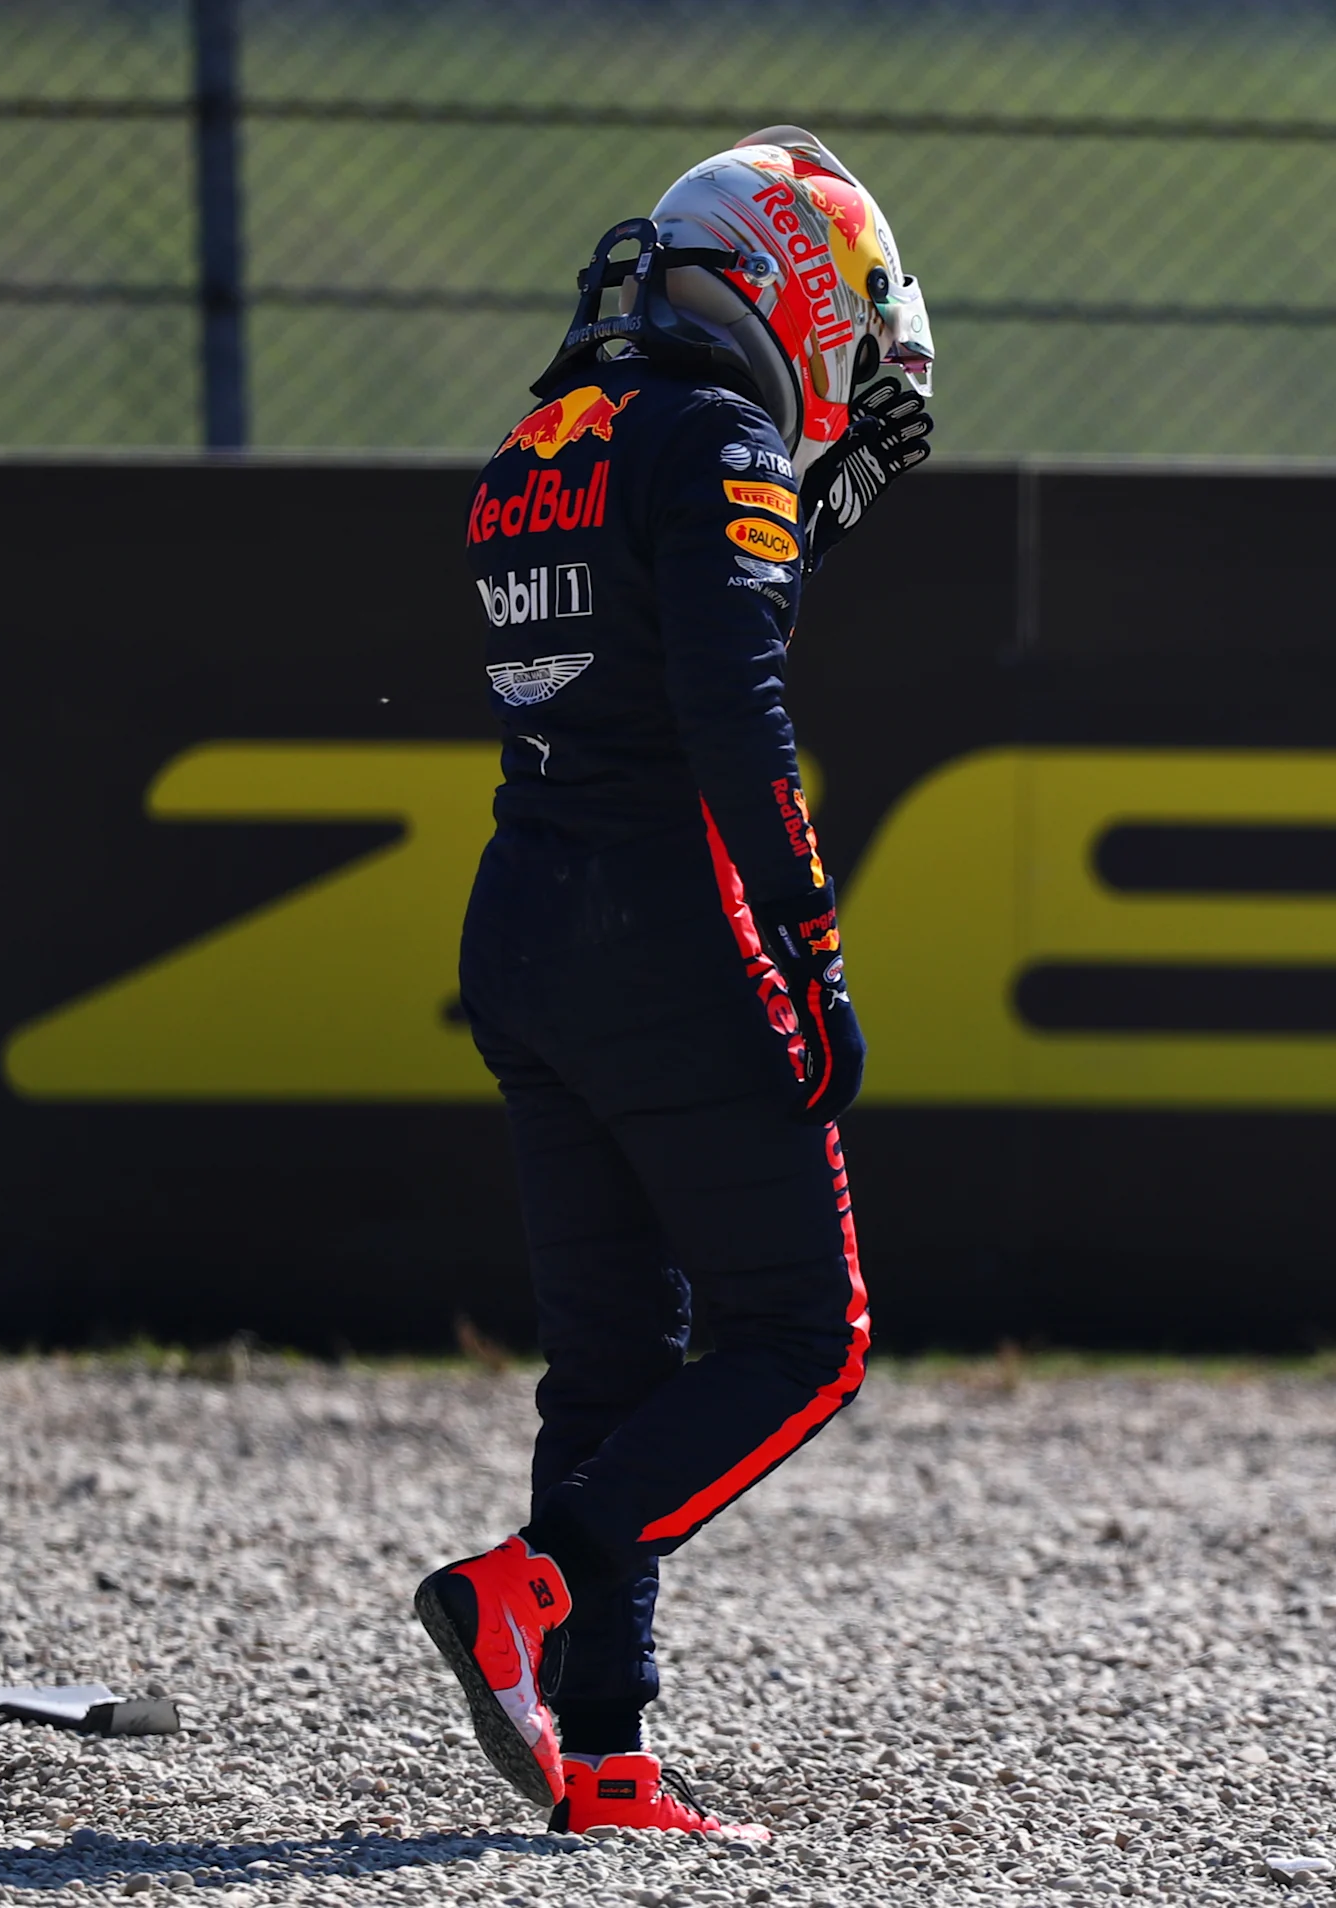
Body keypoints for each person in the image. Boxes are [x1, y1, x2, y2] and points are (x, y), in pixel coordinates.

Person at [413, 128, 935, 1839]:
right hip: (671, 933)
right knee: (809, 1336)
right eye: (842, 340)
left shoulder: (533, 439)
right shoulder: (716, 431)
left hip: (527, 927)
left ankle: (610, 1763)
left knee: (611, 1366)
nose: (839, 384)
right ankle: (531, 1588)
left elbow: (661, 628)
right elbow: (732, 704)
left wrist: (822, 505)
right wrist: (813, 939)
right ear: (787, 279)